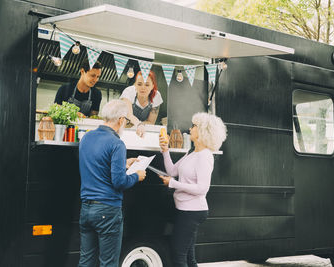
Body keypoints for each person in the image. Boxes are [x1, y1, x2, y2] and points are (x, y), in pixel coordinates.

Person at [78, 99, 146, 267]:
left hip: (86, 209)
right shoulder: (117, 144)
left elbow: (97, 166)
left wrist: (123, 163)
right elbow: (119, 182)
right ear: (121, 120)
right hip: (107, 211)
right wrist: (137, 175)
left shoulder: (86, 138)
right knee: (108, 263)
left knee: (85, 261)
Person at [159, 112, 227, 267]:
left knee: (178, 255)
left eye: (194, 126)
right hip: (184, 209)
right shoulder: (192, 153)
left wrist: (173, 184)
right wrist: (165, 151)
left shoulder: (205, 156)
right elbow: (172, 171)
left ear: (203, 131)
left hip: (192, 211)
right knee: (189, 258)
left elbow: (202, 189)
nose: (190, 128)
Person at [120, 70, 163, 137]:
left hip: (143, 132)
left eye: (147, 85)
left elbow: (151, 122)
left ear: (152, 86)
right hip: (124, 130)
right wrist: (139, 125)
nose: (143, 88)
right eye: (139, 84)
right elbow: (129, 115)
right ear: (135, 85)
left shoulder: (156, 96)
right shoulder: (128, 92)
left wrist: (137, 125)